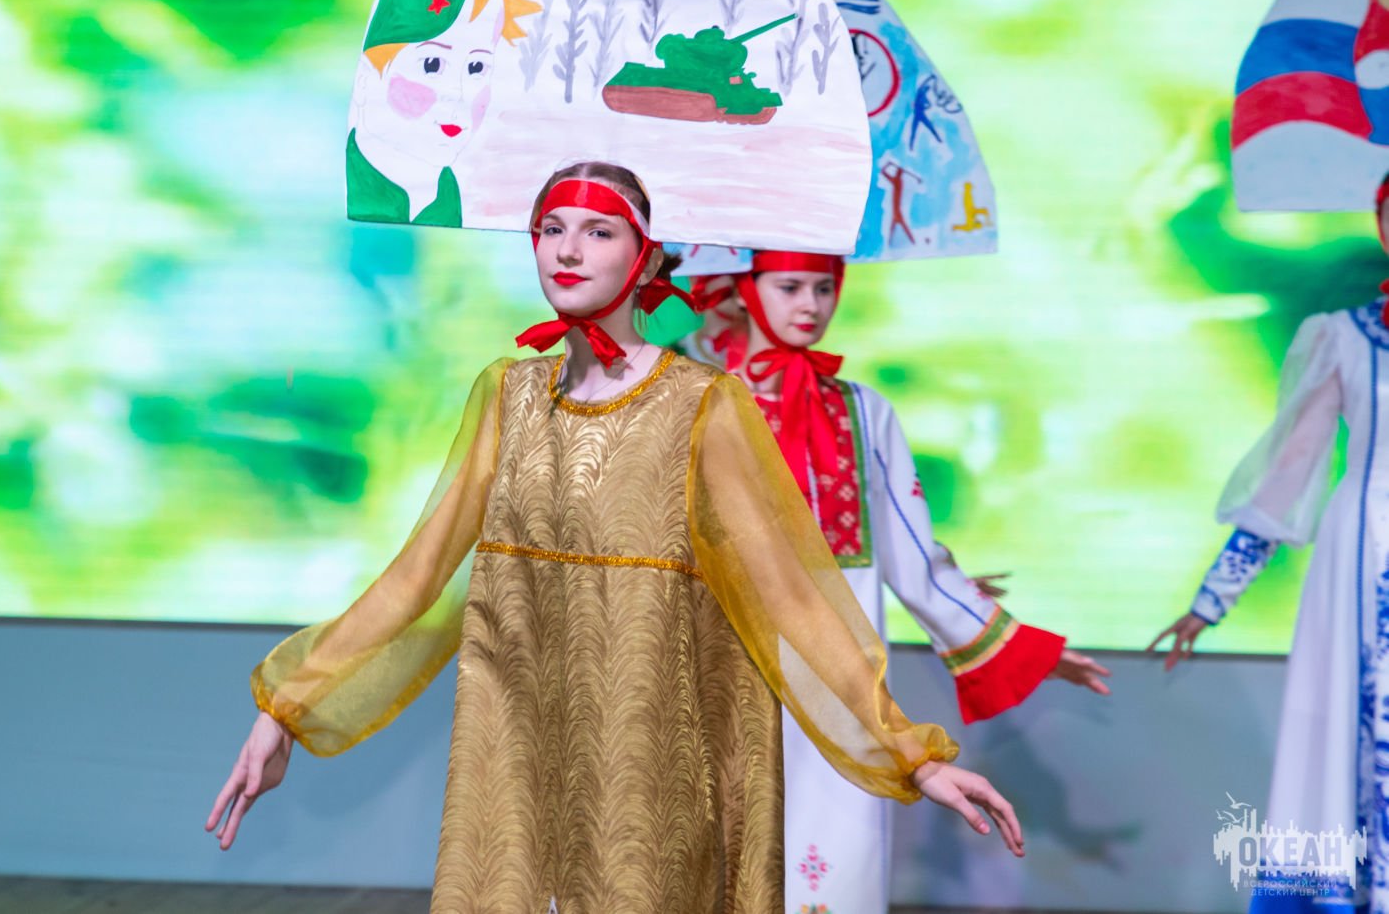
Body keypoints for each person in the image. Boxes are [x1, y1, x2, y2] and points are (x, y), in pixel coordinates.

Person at [209, 163, 1024, 913]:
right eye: (551, 228)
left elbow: (792, 595)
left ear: (646, 258)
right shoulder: (507, 393)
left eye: (598, 231)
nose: (568, 250)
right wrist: (289, 707)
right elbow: (418, 575)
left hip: (649, 767)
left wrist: (912, 753)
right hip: (515, 749)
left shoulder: (702, 404)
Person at [727, 249, 1110, 914]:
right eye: (789, 287)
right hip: (724, 668)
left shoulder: (864, 412)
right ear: (745, 288)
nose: (810, 305)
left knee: (835, 853)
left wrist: (1022, 647)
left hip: (842, 684)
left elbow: (915, 559)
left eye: (824, 288)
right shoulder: (705, 401)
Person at [1151, 172, 1389, 909]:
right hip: (1363, 553)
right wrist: (1212, 599)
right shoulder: (1344, 333)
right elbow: (1288, 474)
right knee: (1354, 732)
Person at [348, 0, 539, 226]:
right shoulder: (344, 188)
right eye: (432, 64)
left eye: (477, 68)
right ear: (367, 78)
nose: (459, 94)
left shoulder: (450, 199)